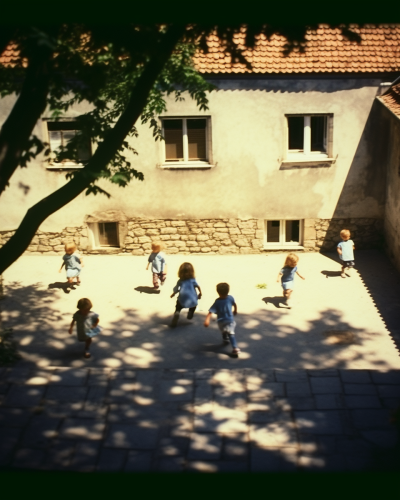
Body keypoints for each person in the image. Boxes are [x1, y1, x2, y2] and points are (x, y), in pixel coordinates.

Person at [204, 282, 240, 357]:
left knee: (228, 332)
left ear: (218, 292)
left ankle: (234, 347)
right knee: (228, 332)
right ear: (228, 291)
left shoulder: (217, 302)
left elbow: (210, 311)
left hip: (222, 321)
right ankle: (228, 342)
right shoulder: (230, 298)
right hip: (229, 319)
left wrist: (207, 320)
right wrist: (235, 310)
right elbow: (234, 304)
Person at [170, 262, 202, 327]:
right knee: (194, 304)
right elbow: (198, 286)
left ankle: (177, 313)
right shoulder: (193, 280)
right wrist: (200, 293)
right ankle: (190, 313)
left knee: (178, 306)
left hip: (182, 297)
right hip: (192, 298)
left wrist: (173, 293)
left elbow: (176, 288)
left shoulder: (180, 280)